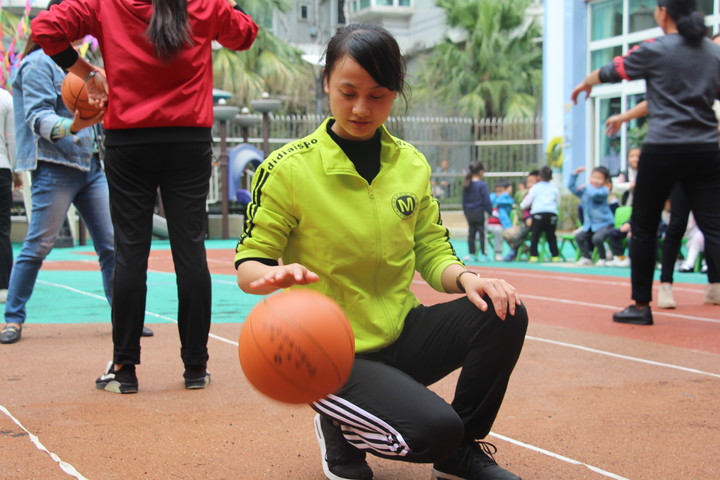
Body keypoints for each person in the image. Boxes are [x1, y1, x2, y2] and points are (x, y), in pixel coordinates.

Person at [235, 24, 528, 480]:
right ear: (326, 83)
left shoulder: (410, 164)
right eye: (348, 92)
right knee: (433, 430)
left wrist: (469, 279)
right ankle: (340, 429)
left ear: (395, 92)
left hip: (401, 332)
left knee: (503, 310)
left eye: (378, 95)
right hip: (330, 352)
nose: (361, 108)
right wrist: (272, 275)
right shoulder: (288, 169)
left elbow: (431, 248)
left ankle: (459, 452)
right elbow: (250, 263)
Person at [31, 0, 258, 390]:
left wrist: (87, 73)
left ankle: (124, 369)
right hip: (189, 139)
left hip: (129, 140)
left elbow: (45, 28)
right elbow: (246, 34)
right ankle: (196, 368)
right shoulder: (205, 4)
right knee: (191, 250)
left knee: (130, 253)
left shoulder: (107, 3)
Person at [572, 0, 720, 324]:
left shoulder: (656, 49)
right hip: (706, 148)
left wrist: (586, 82)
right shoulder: (713, 52)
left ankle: (641, 306)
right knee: (715, 226)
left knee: (643, 228)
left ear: (663, 12)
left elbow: (611, 70)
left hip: (664, 148)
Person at [0, 0, 135, 345]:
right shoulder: (36, 64)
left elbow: (98, 113)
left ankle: (124, 319)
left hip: (91, 166)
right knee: (38, 245)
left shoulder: (86, 65)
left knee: (111, 245)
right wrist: (72, 125)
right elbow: (36, 117)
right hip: (55, 167)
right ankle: (13, 319)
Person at [568, 166, 615, 266]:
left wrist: (587, 186)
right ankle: (587, 257)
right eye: (594, 177)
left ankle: (603, 258)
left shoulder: (604, 191)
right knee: (579, 237)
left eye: (599, 178)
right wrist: (575, 174)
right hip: (591, 225)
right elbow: (571, 187)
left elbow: (593, 194)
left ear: (605, 181)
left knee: (597, 238)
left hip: (605, 224)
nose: (595, 180)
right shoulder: (586, 191)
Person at [519, 166, 561, 262]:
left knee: (535, 235)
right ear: (551, 177)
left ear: (539, 177)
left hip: (538, 214)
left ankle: (534, 256)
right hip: (551, 214)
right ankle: (555, 256)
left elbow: (528, 200)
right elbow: (557, 201)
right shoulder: (554, 188)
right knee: (551, 236)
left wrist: (522, 206)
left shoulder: (535, 188)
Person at [0, 87, 15, 305]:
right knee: (2, 228)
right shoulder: (5, 97)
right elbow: (13, 140)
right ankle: (3, 286)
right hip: (1, 168)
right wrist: (17, 170)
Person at [502, 170, 538, 261]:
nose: (529, 185)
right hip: (525, 222)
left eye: (532, 182)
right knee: (506, 233)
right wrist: (526, 218)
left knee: (516, 236)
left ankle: (515, 250)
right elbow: (524, 209)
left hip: (534, 223)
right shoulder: (526, 195)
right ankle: (524, 249)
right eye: (528, 182)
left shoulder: (539, 195)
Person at [461, 161, 493, 262]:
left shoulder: (467, 184)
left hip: (469, 212)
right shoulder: (481, 184)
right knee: (482, 233)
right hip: (480, 212)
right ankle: (484, 254)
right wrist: (490, 211)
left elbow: (464, 200)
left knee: (471, 233)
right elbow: (486, 200)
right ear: (481, 172)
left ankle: (472, 254)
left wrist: (465, 212)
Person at [487, 180, 514, 261]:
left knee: (498, 231)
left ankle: (498, 252)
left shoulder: (507, 199)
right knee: (479, 232)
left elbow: (499, 201)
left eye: (501, 191)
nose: (498, 193)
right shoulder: (493, 196)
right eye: (497, 191)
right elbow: (489, 201)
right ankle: (479, 253)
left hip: (501, 225)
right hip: (488, 224)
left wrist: (504, 194)